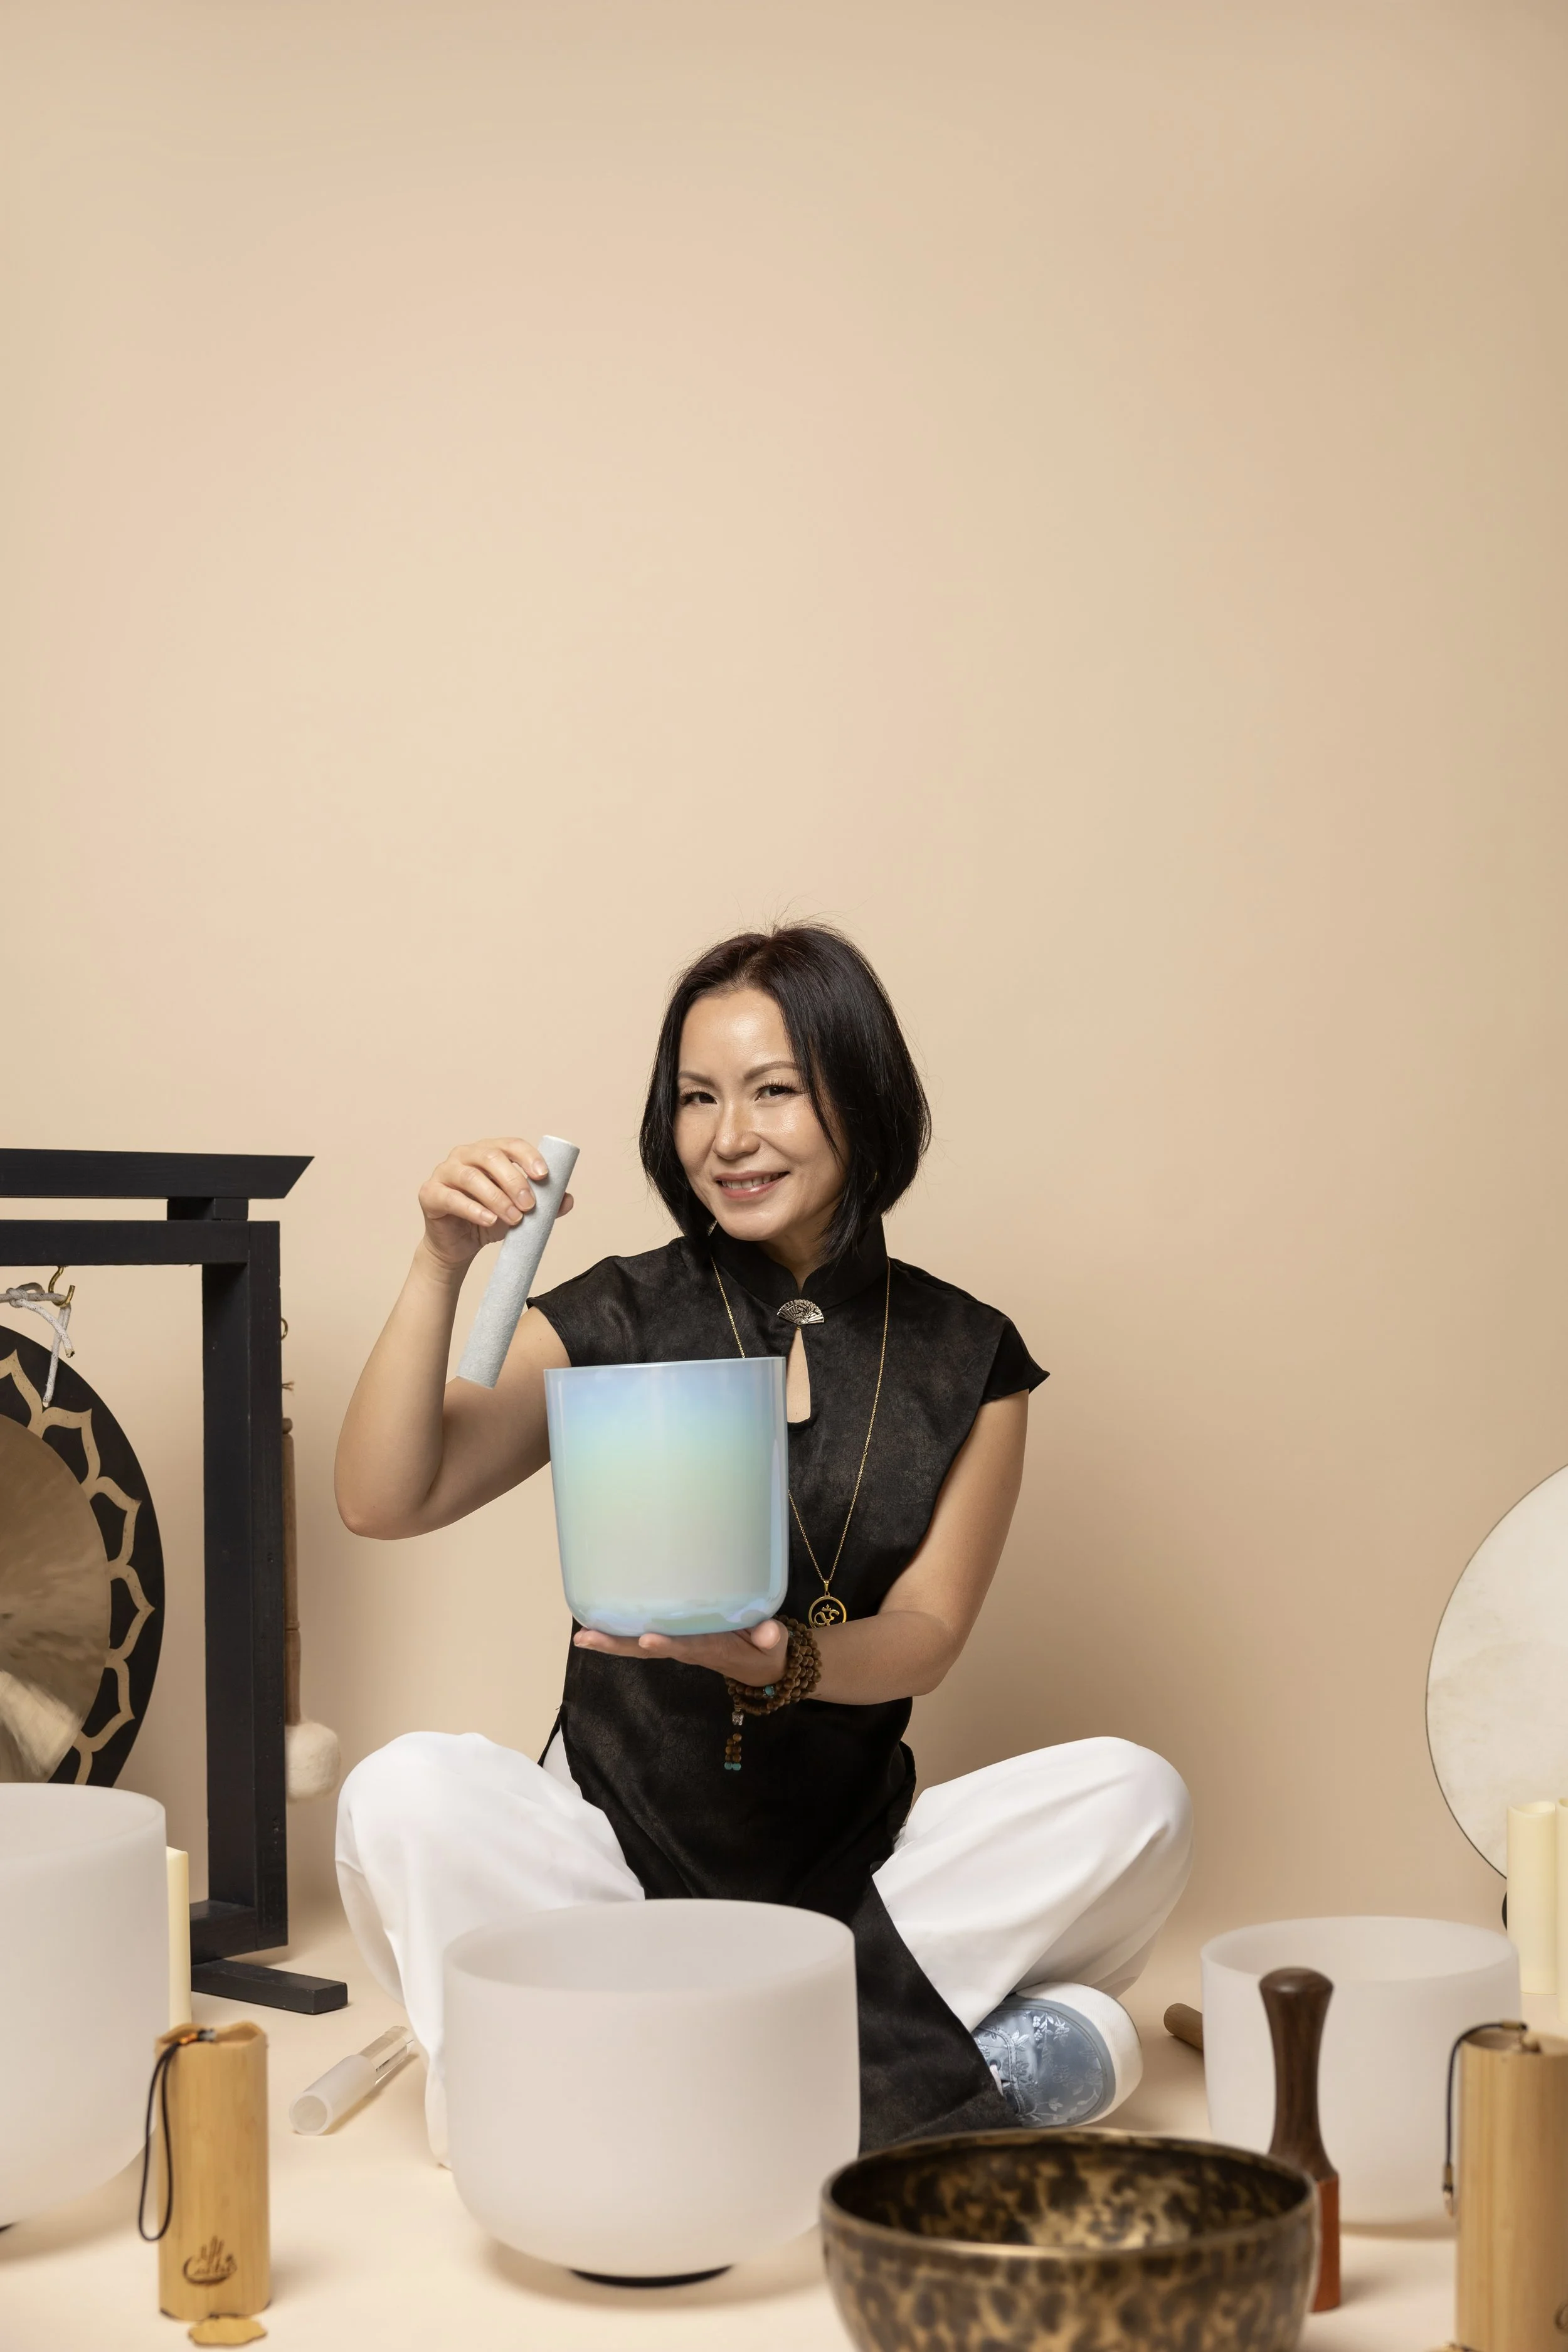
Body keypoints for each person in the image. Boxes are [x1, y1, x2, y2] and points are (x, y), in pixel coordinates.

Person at [334, 924, 1191, 2159]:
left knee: (1133, 1795)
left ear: (861, 1098)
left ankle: (580, 2088)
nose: (727, 1136)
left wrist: (779, 1663)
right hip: (607, 1879)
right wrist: (442, 1262)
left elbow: (929, 1637)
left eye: (773, 1090)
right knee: (405, 1791)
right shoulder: (620, 1307)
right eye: (695, 1098)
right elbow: (384, 1497)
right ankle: (885, 2077)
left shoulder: (969, 1355)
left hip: (855, 1887)